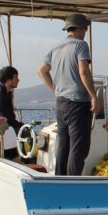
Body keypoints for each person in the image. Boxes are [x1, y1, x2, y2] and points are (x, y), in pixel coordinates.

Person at [37, 13, 99, 176]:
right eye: (85, 28)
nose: (86, 31)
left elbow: (42, 70)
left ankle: (60, 180)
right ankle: (74, 182)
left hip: (61, 103)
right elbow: (84, 71)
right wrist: (93, 96)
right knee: (78, 147)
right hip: (78, 103)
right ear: (78, 28)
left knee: (63, 145)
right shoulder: (81, 45)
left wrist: (54, 89)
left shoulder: (55, 47)